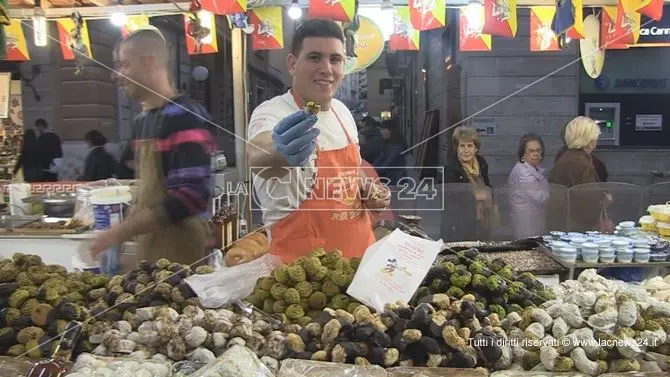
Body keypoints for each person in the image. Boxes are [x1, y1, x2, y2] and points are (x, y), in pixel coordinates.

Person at [246, 19, 390, 263]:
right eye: (314, 57)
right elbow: (257, 156)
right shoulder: (272, 112)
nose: (326, 68)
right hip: (305, 278)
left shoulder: (342, 112)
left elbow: (351, 173)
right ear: (292, 64)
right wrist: (279, 152)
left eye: (335, 59)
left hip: (361, 262)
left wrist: (368, 189)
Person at [90, 28, 214, 266]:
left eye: (124, 65)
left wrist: (119, 232)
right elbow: (150, 188)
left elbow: (190, 197)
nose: (117, 75)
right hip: (152, 254)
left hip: (183, 257)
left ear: (148, 63)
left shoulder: (186, 116)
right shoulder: (143, 121)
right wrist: (131, 216)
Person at [549, 116, 612, 231]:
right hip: (575, 227)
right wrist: (604, 199)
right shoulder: (581, 163)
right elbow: (587, 201)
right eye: (595, 136)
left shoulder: (567, 157)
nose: (596, 140)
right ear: (589, 139)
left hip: (562, 222)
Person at [443, 127, 498, 241]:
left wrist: (489, 193)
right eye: (462, 146)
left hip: (483, 218)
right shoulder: (450, 169)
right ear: (456, 148)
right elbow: (449, 198)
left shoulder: (482, 163)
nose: (466, 150)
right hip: (459, 223)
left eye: (470, 146)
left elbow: (487, 185)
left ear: (476, 148)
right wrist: (474, 196)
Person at [507, 133, 549, 239]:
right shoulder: (522, 171)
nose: (535, 154)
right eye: (531, 151)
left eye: (538, 150)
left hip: (536, 216)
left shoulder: (536, 167)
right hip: (525, 219)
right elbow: (540, 197)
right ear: (523, 154)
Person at [373, 119, 407, 186]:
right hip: (389, 177)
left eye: (384, 129)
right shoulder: (388, 143)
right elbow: (381, 157)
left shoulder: (397, 146)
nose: (381, 131)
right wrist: (371, 166)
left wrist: (372, 169)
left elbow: (388, 163)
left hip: (396, 179)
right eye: (381, 129)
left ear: (392, 130)